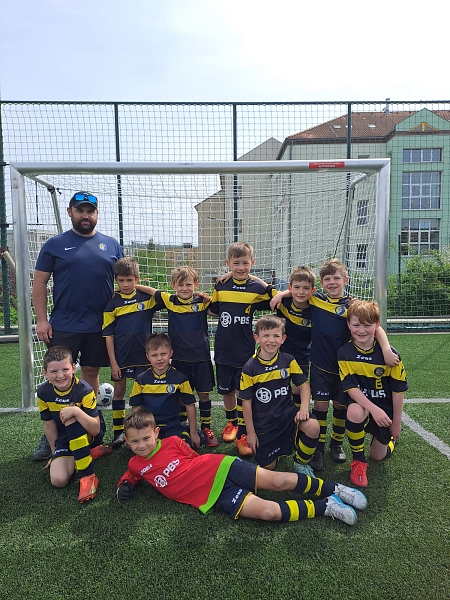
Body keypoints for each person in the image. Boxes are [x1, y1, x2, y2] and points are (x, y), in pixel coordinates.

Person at [116, 407, 368, 527]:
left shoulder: (172, 442)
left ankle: (334, 488)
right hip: (214, 498)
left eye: (146, 438)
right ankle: (327, 506)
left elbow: (193, 458)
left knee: (278, 481)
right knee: (269, 512)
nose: (141, 445)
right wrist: (125, 484)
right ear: (127, 441)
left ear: (156, 433)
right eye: (134, 442)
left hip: (221, 467)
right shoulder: (135, 464)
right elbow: (131, 474)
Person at [271, 258, 399, 471]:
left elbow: (375, 327)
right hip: (320, 365)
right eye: (327, 279)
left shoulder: (352, 305)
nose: (332, 282)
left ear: (345, 280)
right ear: (321, 283)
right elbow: (298, 292)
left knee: (340, 406)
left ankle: (336, 443)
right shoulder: (316, 299)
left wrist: (386, 349)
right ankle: (318, 450)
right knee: (320, 407)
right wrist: (280, 294)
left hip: (345, 366)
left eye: (336, 278)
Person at [32, 191, 124, 461]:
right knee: (59, 376)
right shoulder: (54, 245)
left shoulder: (112, 245)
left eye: (90, 211)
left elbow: (126, 282)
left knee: (91, 373)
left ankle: (89, 426)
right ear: (70, 212)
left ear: (97, 214)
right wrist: (41, 319)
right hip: (64, 324)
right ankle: (54, 431)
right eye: (80, 210)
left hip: (100, 326)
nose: (85, 215)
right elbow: (39, 283)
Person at [135, 265, 218, 448]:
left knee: (203, 394)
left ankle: (206, 428)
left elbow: (217, 308)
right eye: (180, 285)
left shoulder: (202, 302)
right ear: (173, 285)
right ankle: (182, 426)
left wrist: (209, 297)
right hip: (179, 358)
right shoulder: (170, 300)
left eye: (188, 284)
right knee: (181, 396)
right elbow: (151, 290)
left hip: (201, 357)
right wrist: (133, 286)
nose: (184, 288)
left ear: (196, 284)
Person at [209, 242, 274, 455]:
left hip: (245, 350)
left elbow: (275, 296)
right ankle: (232, 424)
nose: (241, 267)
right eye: (236, 263)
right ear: (228, 263)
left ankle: (245, 432)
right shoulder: (220, 286)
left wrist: (255, 278)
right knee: (227, 390)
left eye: (245, 263)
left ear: (252, 263)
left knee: (244, 392)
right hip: (223, 349)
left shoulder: (256, 288)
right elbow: (213, 309)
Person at [338, 300, 408, 487]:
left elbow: (398, 391)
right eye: (356, 325)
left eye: (367, 325)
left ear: (377, 325)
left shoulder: (390, 355)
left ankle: (389, 441)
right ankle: (358, 462)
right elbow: (351, 388)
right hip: (362, 401)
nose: (361, 330)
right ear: (348, 325)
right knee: (354, 412)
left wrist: (396, 423)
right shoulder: (344, 352)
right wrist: (372, 409)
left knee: (377, 456)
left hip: (384, 405)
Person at [239, 315, 319, 477]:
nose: (271, 340)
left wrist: (303, 408)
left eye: (276, 336)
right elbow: (246, 403)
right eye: (266, 335)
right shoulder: (250, 368)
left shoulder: (288, 360)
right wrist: (251, 433)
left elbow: (304, 386)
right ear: (256, 338)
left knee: (313, 426)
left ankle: (301, 463)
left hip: (287, 416)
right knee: (269, 468)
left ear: (283, 339)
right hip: (264, 424)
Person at [37, 346, 112, 503]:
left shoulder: (84, 390)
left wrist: (77, 412)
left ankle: (88, 476)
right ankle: (86, 454)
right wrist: (55, 453)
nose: (60, 375)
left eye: (65, 369)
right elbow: (49, 426)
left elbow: (95, 428)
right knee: (59, 480)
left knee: (70, 416)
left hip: (90, 432)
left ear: (73, 367)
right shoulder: (43, 392)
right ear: (45, 373)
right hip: (65, 437)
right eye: (54, 371)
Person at [102, 256, 162, 448]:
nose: (126, 284)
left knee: (143, 393)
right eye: (121, 280)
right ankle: (119, 432)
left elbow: (160, 294)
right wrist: (113, 363)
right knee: (119, 392)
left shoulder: (146, 299)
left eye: (130, 280)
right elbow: (108, 336)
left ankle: (143, 431)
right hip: (122, 357)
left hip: (144, 357)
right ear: (116, 280)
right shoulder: (112, 304)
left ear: (137, 278)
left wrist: (139, 287)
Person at [129, 333, 201, 448]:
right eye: (154, 355)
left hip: (173, 426)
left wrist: (193, 433)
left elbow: (190, 405)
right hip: (149, 428)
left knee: (184, 447)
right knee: (147, 450)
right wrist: (137, 433)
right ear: (148, 357)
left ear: (171, 353)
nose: (159, 358)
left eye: (163, 354)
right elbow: (135, 409)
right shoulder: (141, 380)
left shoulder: (180, 378)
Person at [275, 266, 316, 407]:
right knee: (279, 385)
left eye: (306, 288)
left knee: (299, 386)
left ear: (312, 291)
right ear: (290, 288)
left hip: (303, 355)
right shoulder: (282, 303)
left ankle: (298, 413)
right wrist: (280, 295)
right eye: (297, 287)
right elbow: (263, 288)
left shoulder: (316, 308)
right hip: (280, 354)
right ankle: (280, 411)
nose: (301, 292)